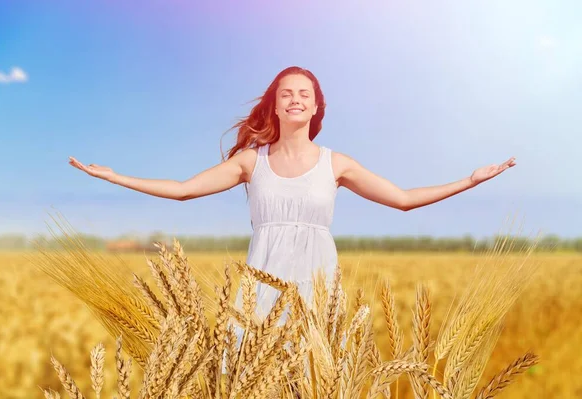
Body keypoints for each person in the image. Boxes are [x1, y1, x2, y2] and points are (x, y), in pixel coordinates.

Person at [68, 65, 516, 321]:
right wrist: (116, 177)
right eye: (286, 93)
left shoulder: (336, 164)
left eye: (304, 93)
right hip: (260, 290)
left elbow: (401, 198)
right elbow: (184, 190)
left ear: (317, 105)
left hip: (318, 288)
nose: (295, 99)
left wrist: (470, 181)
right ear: (274, 104)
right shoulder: (251, 161)